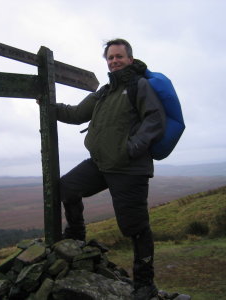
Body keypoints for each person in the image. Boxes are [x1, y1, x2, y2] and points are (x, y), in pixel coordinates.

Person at [55, 38, 165, 300]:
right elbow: (75, 114)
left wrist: (132, 147)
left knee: (135, 227)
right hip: (101, 164)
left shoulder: (140, 86)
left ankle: (144, 283)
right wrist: (47, 105)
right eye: (110, 57)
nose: (114, 61)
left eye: (119, 56)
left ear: (130, 58)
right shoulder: (104, 91)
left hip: (129, 169)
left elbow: (155, 119)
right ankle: (76, 235)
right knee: (66, 187)